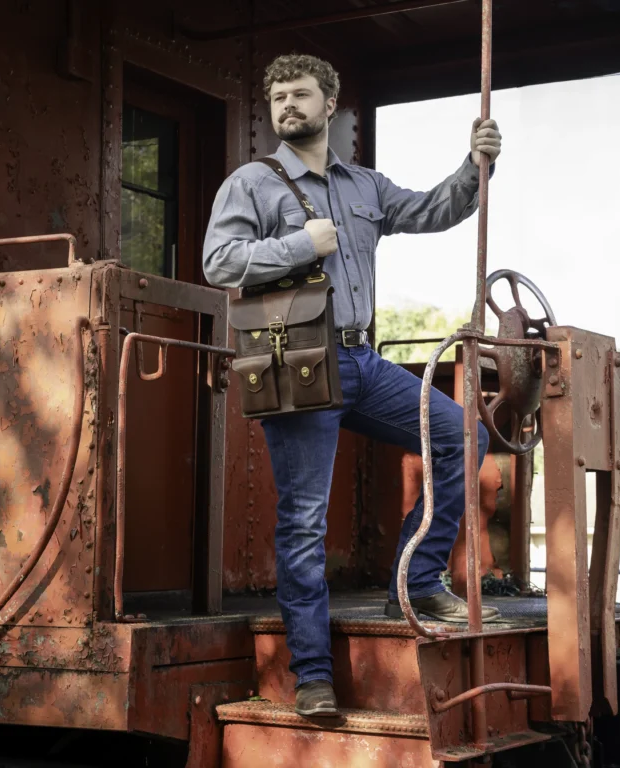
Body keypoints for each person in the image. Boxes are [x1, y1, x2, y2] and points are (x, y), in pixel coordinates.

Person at [203, 54, 502, 718]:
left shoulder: (364, 185)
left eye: (299, 93)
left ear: (328, 104)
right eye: (277, 95)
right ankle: (313, 675)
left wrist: (475, 166)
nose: (287, 104)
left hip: (360, 362)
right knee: (304, 523)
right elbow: (218, 258)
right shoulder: (252, 182)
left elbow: (432, 211)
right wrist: (300, 245)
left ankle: (417, 580)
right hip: (293, 362)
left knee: (463, 433)